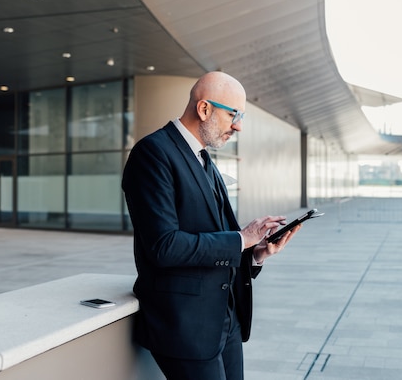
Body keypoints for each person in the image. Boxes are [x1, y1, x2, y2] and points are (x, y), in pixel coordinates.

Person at [122, 71, 300, 380]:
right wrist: (240, 239)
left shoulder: (205, 159)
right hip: (185, 328)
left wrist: (254, 252)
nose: (238, 125)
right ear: (204, 109)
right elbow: (163, 247)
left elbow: (217, 237)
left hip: (225, 320)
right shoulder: (152, 154)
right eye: (234, 114)